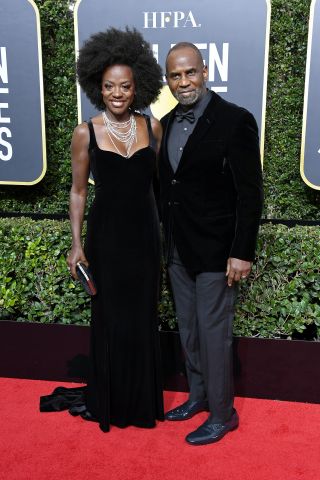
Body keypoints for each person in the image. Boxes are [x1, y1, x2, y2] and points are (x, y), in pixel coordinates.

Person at [40, 27, 164, 432]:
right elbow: (78, 193)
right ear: (98, 86)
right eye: (109, 85)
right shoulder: (85, 132)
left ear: (138, 86)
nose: (117, 93)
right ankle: (111, 399)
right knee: (110, 320)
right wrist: (76, 246)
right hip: (106, 241)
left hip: (145, 240)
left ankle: (140, 402)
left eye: (125, 86)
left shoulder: (153, 128)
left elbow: (158, 188)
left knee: (142, 317)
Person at [159, 42, 263, 445]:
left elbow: (250, 194)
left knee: (213, 331)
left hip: (218, 252)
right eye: (175, 75)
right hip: (177, 250)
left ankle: (223, 413)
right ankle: (198, 395)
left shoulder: (235, 121)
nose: (183, 82)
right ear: (167, 79)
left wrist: (242, 250)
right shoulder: (164, 123)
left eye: (190, 73)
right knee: (189, 329)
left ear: (204, 71)